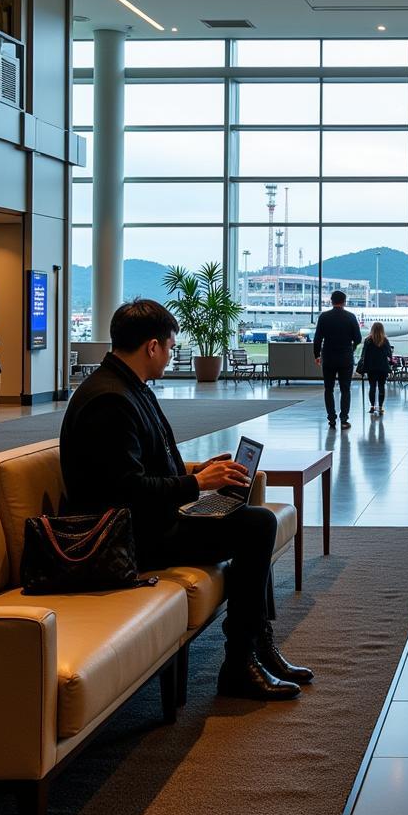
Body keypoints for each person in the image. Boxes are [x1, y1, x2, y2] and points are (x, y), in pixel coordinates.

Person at [59, 299, 311, 701]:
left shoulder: (128, 387)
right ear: (153, 346)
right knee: (256, 526)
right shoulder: (110, 400)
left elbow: (146, 465)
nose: (173, 354)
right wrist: (196, 486)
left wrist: (196, 473)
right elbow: (124, 490)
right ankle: (239, 664)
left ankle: (259, 648)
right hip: (123, 539)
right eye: (172, 347)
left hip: (146, 522)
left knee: (249, 519)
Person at [313, 289, 362, 430]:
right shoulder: (351, 317)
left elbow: (317, 339)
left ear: (331, 301)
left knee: (328, 389)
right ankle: (344, 420)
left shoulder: (324, 317)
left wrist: (317, 355)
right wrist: (350, 349)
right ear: (344, 302)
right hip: (346, 358)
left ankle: (331, 419)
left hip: (328, 357)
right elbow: (358, 338)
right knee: (345, 389)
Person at [359, 321, 394, 415]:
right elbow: (389, 354)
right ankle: (381, 407)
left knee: (372, 386)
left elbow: (364, 355)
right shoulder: (385, 340)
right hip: (383, 367)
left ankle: (372, 406)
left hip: (371, 367)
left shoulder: (368, 340)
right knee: (382, 386)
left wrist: (362, 367)